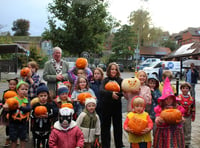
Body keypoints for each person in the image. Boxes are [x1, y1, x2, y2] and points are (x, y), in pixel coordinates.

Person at [153, 77, 185, 148]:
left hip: (175, 131)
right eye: (166, 99)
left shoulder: (177, 107)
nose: (168, 101)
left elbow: (180, 116)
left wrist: (181, 120)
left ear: (173, 99)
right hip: (163, 131)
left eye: (170, 98)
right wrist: (158, 120)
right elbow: (157, 117)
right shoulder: (160, 108)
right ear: (163, 100)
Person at [100, 62, 124, 148]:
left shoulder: (121, 80)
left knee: (118, 126)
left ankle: (119, 144)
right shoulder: (105, 80)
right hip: (106, 106)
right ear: (108, 70)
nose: (113, 71)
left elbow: (123, 91)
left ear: (117, 71)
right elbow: (101, 90)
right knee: (105, 127)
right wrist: (111, 94)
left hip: (116, 106)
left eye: (115, 69)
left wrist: (117, 94)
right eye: (111, 69)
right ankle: (105, 145)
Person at [3, 80, 30, 148]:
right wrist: (6, 107)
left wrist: (20, 107)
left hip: (23, 123)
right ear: (17, 90)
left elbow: (28, 109)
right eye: (22, 89)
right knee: (13, 140)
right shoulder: (13, 99)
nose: (24, 91)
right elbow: (7, 107)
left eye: (26, 89)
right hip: (13, 123)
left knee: (23, 139)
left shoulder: (27, 100)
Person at [30, 84, 54, 148]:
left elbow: (52, 114)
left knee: (46, 142)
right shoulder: (35, 105)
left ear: (47, 96)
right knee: (36, 142)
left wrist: (47, 116)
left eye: (45, 96)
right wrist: (35, 116)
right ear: (38, 96)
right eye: (41, 96)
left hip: (46, 128)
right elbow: (31, 115)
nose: (43, 97)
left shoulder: (49, 106)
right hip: (36, 127)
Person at [0, 78, 18, 146]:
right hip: (7, 111)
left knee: (15, 125)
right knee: (8, 126)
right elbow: (3, 101)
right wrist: (3, 105)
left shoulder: (17, 92)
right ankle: (8, 139)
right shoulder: (5, 92)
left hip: (15, 111)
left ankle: (15, 138)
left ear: (16, 85)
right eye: (10, 84)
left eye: (14, 84)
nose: (12, 86)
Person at [178, 82, 195, 148]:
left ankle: (187, 142)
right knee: (180, 128)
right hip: (180, 116)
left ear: (189, 89)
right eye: (183, 88)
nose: (185, 90)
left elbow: (193, 108)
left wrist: (193, 116)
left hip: (188, 116)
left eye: (186, 88)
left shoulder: (191, 99)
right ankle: (180, 141)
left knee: (187, 128)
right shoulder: (179, 98)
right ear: (181, 89)